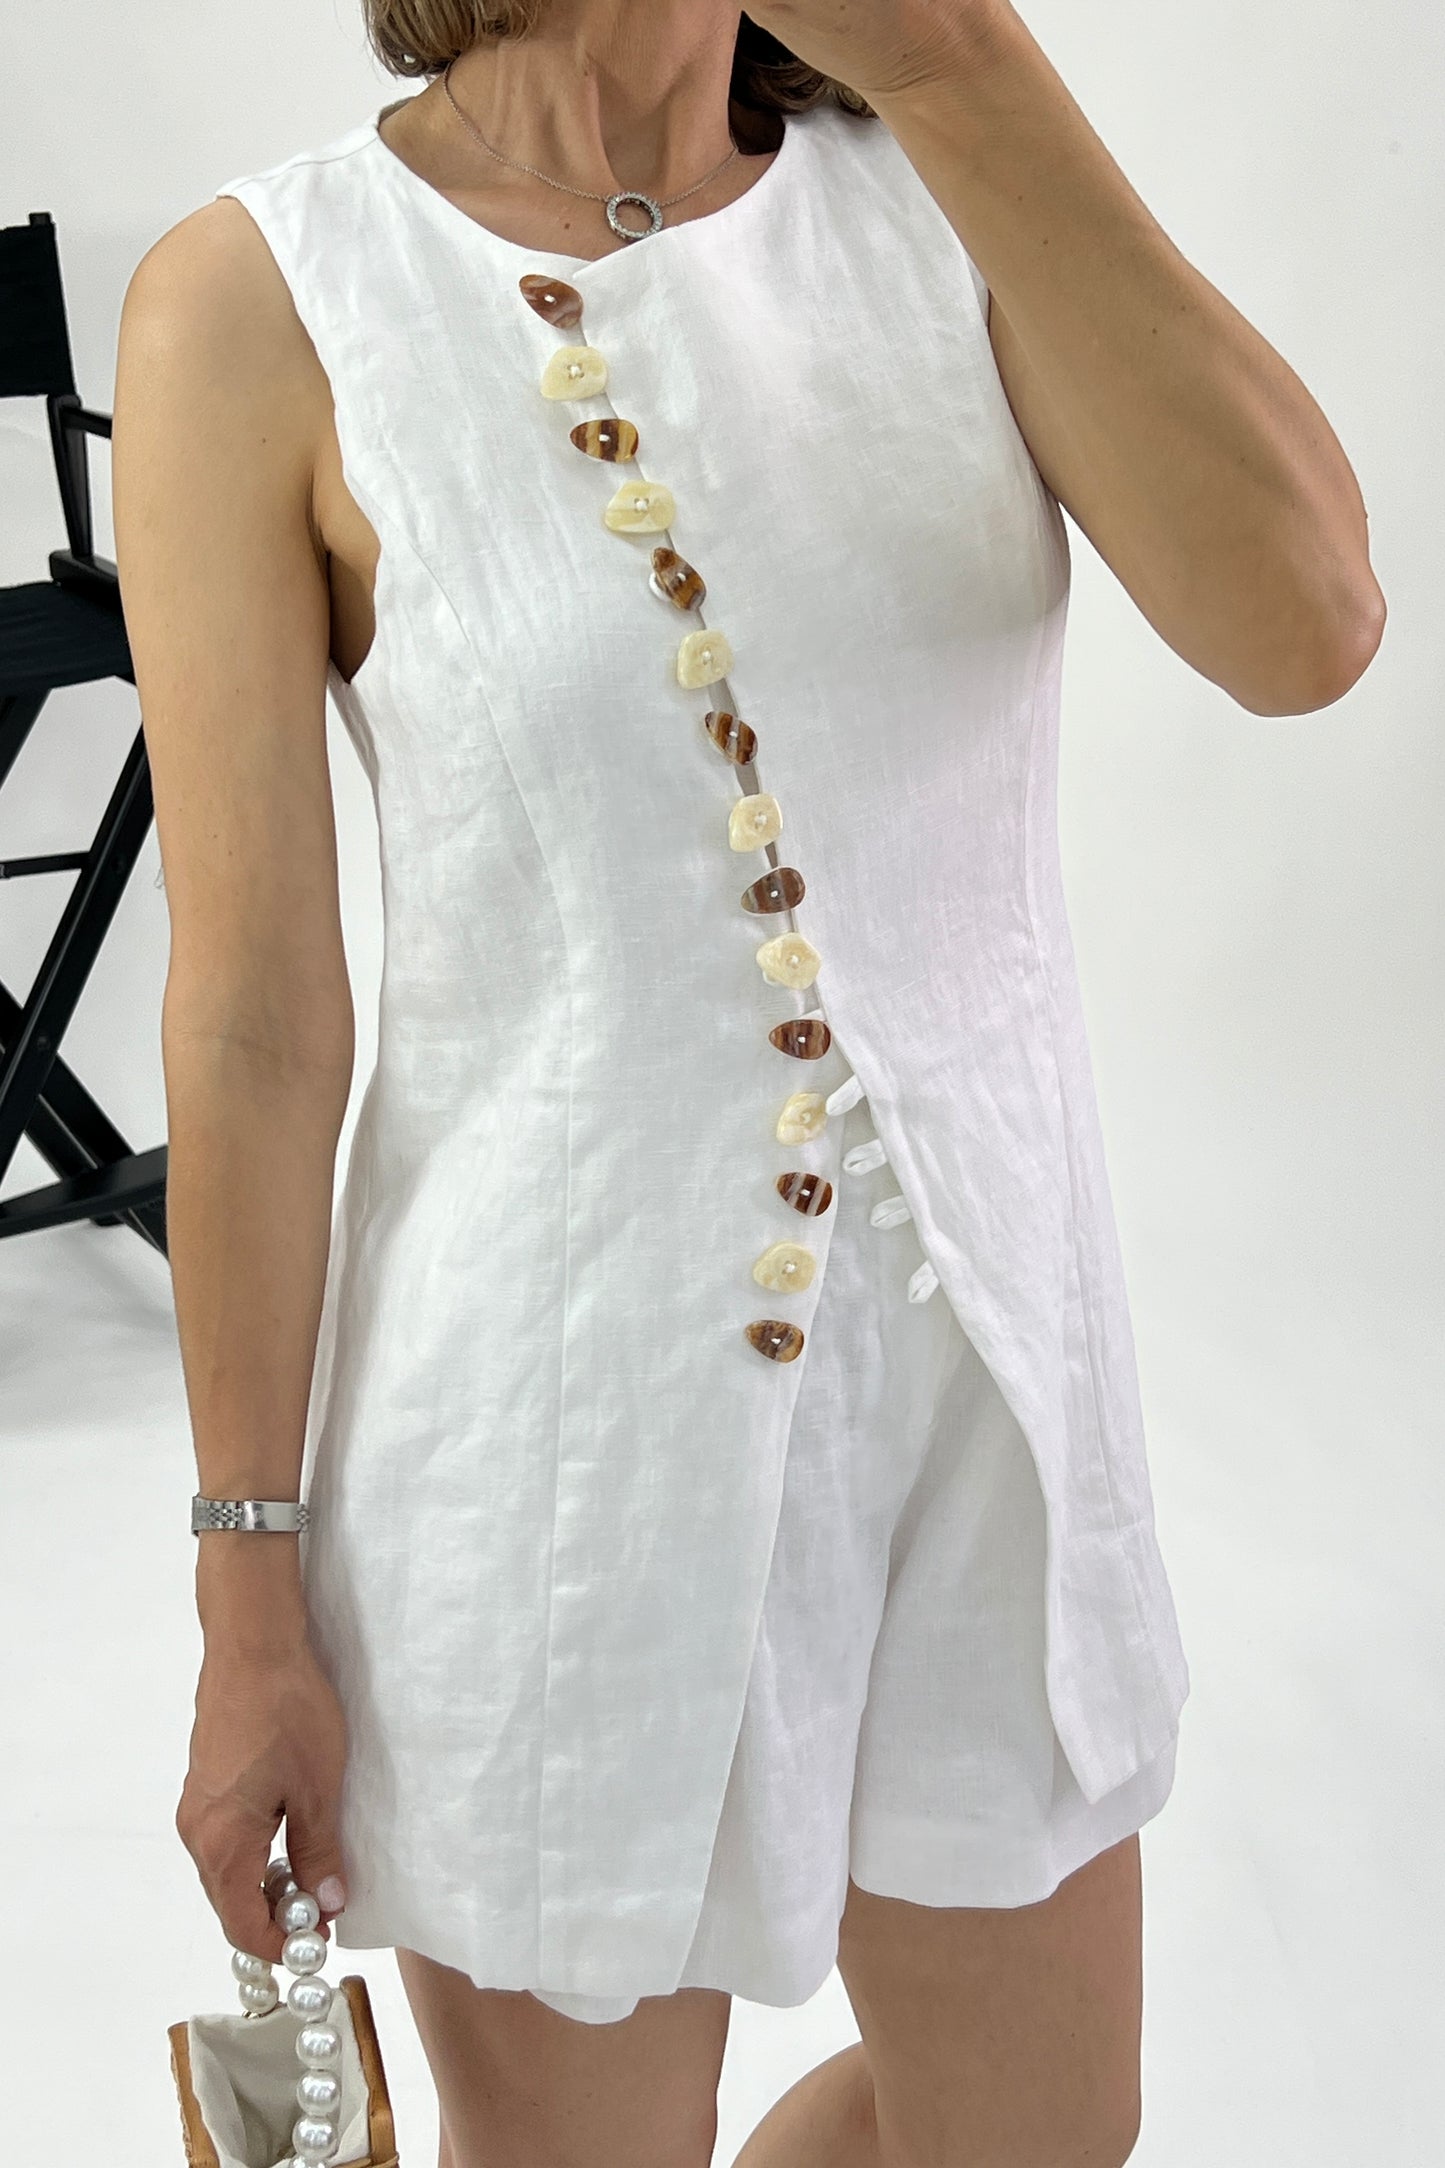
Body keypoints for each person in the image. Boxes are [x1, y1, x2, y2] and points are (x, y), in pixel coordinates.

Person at [112, 1, 1384, 2162]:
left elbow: (1307, 622)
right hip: (549, 1474)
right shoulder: (261, 298)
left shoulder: (946, 184)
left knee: (1040, 2138)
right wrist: (249, 1601)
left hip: (995, 1430)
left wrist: (960, 68)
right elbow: (251, 1020)